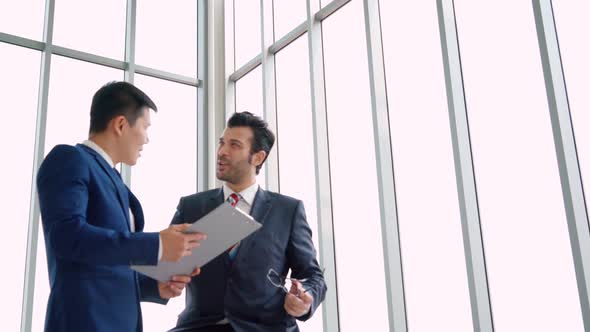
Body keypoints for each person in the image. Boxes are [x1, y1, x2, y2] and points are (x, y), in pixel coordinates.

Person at [36, 81, 205, 332]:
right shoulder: (70, 159)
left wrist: (154, 285)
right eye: (145, 127)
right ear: (121, 125)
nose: (147, 139)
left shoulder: (116, 181)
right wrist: (157, 245)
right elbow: (67, 237)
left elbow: (109, 265)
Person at [168, 112, 326, 332]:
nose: (221, 152)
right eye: (222, 143)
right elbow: (165, 268)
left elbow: (311, 275)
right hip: (199, 327)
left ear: (258, 157)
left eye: (234, 145)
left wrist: (305, 297)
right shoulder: (191, 207)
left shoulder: (288, 210)